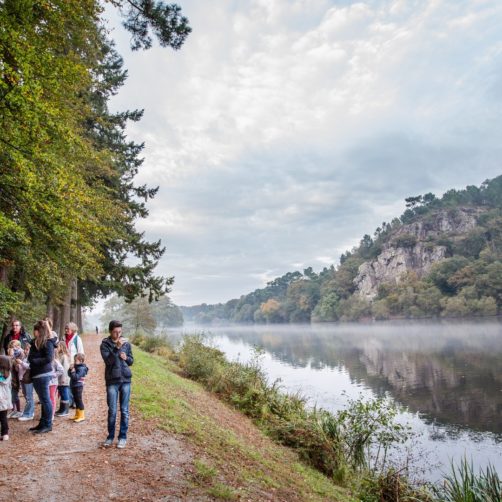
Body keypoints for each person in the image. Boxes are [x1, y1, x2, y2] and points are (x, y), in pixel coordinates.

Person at [100, 320, 133, 449]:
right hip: (112, 381)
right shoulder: (105, 344)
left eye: (120, 332)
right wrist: (117, 348)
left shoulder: (126, 343)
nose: (118, 334)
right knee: (112, 411)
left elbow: (131, 361)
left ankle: (122, 437)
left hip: (125, 380)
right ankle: (110, 436)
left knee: (124, 411)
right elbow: (108, 361)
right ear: (110, 331)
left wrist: (126, 358)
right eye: (115, 332)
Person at [28, 320, 55, 434]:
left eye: (35, 330)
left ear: (39, 331)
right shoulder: (35, 342)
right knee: (43, 400)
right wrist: (33, 358)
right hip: (36, 374)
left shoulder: (48, 342)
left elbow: (49, 358)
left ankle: (48, 424)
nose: (34, 332)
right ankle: (42, 423)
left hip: (44, 374)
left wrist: (35, 360)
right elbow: (30, 356)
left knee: (46, 400)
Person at [69, 353, 88, 423]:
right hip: (74, 385)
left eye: (76, 360)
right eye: (74, 360)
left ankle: (82, 416)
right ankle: (77, 414)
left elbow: (76, 377)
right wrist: (70, 369)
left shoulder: (82, 368)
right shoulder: (76, 367)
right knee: (76, 400)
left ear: (81, 360)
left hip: (78, 386)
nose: (74, 362)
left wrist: (73, 372)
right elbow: (70, 375)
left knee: (79, 400)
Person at [17, 343, 34, 421]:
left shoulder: (32, 357)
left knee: (29, 396)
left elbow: (29, 366)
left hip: (28, 379)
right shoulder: (25, 357)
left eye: (27, 349)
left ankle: (28, 414)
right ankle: (30, 411)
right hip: (23, 379)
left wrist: (21, 363)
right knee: (26, 396)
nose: (25, 351)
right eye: (25, 349)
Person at [7, 340, 23, 418]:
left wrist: (13, 358)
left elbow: (18, 369)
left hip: (16, 380)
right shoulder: (9, 358)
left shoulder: (20, 356)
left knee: (15, 395)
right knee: (11, 396)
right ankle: (13, 410)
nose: (13, 349)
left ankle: (19, 411)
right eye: (12, 347)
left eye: (16, 347)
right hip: (10, 380)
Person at [55, 343, 71, 417]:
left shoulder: (64, 356)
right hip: (59, 379)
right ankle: (61, 408)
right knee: (61, 393)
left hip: (63, 379)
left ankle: (66, 410)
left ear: (62, 347)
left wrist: (63, 379)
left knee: (64, 393)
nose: (56, 348)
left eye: (58, 346)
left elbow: (65, 368)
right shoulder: (59, 356)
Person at [0, 355, 12, 440]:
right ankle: (5, 434)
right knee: (3, 417)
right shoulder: (9, 373)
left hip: (1, 397)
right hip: (6, 397)